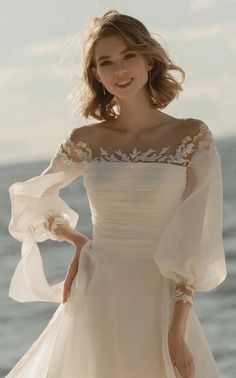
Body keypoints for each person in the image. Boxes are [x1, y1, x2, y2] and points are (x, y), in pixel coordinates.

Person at [6, 9, 227, 378]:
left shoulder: (191, 138)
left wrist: (176, 330)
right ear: (95, 73)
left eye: (128, 56)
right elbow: (31, 201)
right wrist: (76, 239)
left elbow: (195, 240)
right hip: (97, 291)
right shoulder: (86, 141)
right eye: (105, 62)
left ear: (148, 59)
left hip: (159, 297)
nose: (119, 71)